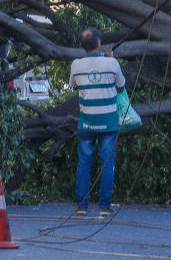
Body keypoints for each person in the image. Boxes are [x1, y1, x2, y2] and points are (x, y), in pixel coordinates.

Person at [69, 27, 126, 216]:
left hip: (86, 122)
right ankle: (104, 206)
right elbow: (121, 86)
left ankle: (82, 206)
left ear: (82, 46)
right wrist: (110, 59)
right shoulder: (112, 63)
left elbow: (73, 85)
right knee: (107, 163)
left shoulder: (76, 65)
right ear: (99, 43)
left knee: (84, 163)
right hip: (108, 122)